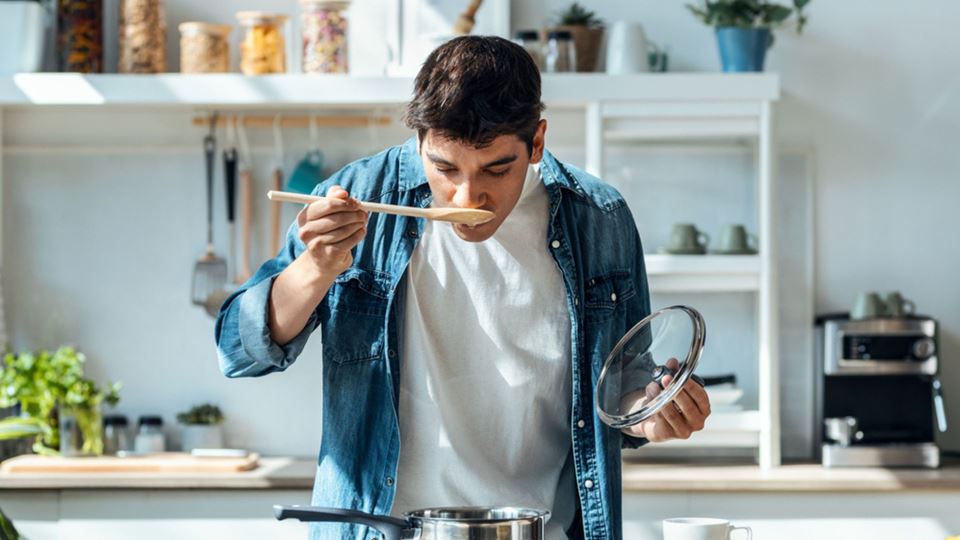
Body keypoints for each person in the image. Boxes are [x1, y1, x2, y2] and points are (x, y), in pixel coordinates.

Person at [215, 36, 710, 540]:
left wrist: (650, 413)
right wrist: (315, 268)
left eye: (497, 168)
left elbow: (622, 388)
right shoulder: (358, 198)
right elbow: (237, 348)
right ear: (420, 141)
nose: (467, 196)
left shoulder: (599, 219)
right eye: (445, 168)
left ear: (536, 141)